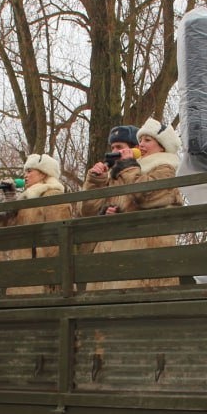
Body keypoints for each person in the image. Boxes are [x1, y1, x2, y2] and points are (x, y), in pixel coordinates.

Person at [82, 118, 183, 290]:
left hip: (147, 255)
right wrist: (96, 183)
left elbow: (146, 196)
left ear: (162, 146)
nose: (141, 144)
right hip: (115, 256)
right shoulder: (125, 173)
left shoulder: (165, 169)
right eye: (140, 140)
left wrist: (128, 167)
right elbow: (86, 209)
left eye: (147, 140)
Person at [0, 153, 69, 295]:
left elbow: (57, 242)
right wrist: (9, 202)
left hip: (43, 275)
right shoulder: (27, 200)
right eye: (25, 172)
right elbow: (10, 234)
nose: (25, 176)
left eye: (29, 171)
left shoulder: (53, 196)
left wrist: (52, 276)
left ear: (43, 173)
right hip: (23, 270)